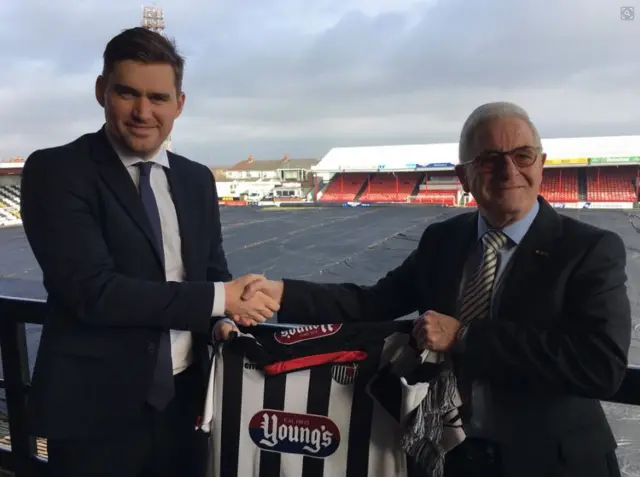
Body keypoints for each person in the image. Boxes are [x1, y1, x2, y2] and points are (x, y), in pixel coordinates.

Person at [236, 102, 631, 477]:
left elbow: (600, 366)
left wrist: (464, 336)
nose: (509, 170)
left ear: (541, 165)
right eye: (489, 159)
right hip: (452, 458)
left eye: (522, 155)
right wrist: (282, 293)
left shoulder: (589, 249)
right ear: (464, 177)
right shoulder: (443, 240)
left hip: (555, 463)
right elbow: (373, 302)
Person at [20, 27, 277, 477]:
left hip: (187, 407)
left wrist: (222, 321)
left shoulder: (197, 180)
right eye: (127, 93)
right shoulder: (56, 170)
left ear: (179, 104)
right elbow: (91, 292)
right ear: (101, 91)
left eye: (158, 98)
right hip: (92, 415)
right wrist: (222, 299)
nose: (143, 112)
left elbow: (211, 271)